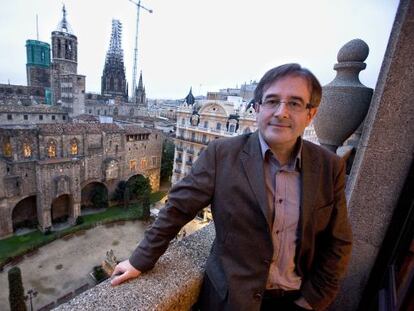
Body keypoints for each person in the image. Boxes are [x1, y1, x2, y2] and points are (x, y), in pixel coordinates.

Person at [111, 63, 353, 311]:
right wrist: (140, 261)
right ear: (257, 108)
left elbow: (338, 242)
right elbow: (177, 208)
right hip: (230, 300)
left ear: (310, 114)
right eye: (271, 101)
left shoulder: (329, 166)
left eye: (294, 103)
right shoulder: (222, 154)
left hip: (297, 300)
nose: (281, 112)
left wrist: (313, 300)